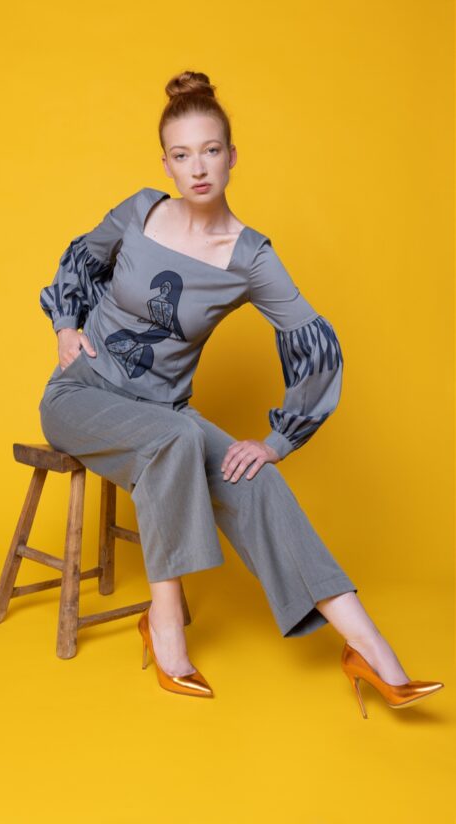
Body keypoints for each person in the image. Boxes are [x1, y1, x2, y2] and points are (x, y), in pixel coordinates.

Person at [37, 70, 444, 713]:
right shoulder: (139, 211)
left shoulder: (250, 257)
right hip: (82, 398)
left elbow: (315, 342)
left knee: (254, 479)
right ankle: (166, 627)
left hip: (163, 417)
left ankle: (369, 649)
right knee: (176, 437)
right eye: (181, 155)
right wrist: (66, 327)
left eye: (210, 151)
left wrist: (279, 441)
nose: (197, 167)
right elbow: (79, 260)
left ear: (232, 155)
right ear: (166, 165)